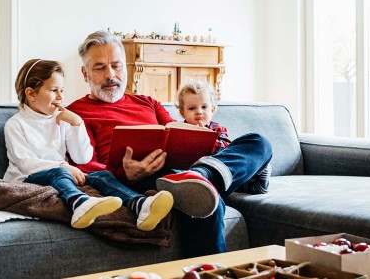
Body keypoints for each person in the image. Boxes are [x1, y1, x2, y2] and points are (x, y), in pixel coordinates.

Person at [67, 30, 273, 256]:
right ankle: (209, 180)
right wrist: (125, 175)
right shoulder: (76, 114)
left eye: (116, 65)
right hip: (145, 180)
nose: (110, 75)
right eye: (100, 68)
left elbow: (177, 133)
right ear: (85, 73)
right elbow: (87, 167)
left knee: (258, 142)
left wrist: (197, 138)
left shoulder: (148, 102)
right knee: (206, 202)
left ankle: (203, 175)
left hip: (184, 170)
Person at [3, 58, 173, 231]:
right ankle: (79, 203)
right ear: (31, 94)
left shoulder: (62, 119)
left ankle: (140, 204)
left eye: (62, 90)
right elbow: (25, 163)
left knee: (101, 175)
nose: (61, 97)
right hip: (27, 179)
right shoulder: (15, 125)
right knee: (60, 172)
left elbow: (82, 157)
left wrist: (77, 124)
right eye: (54, 91)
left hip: (62, 175)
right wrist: (63, 166)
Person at [176, 79, 272, 194]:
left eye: (204, 107)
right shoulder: (179, 131)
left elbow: (226, 149)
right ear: (182, 112)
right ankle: (197, 177)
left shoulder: (218, 129)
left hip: (220, 170)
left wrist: (207, 138)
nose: (199, 112)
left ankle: (256, 178)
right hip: (189, 172)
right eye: (192, 108)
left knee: (258, 141)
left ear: (212, 110)